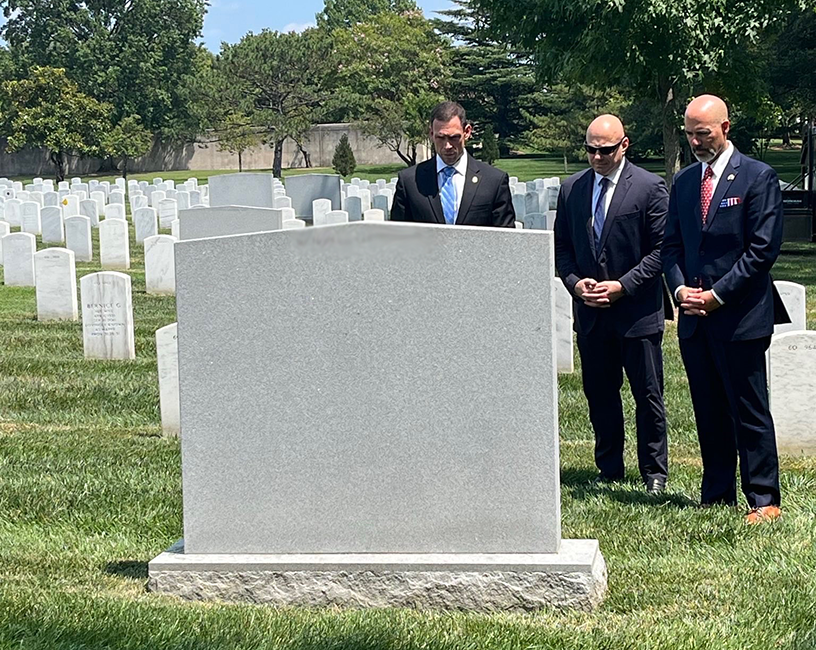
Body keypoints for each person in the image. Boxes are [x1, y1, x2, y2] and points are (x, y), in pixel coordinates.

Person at [662, 94, 788, 523]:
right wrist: (680, 291)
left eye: (704, 132)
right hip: (694, 317)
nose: (697, 141)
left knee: (748, 408)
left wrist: (717, 296)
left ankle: (764, 498)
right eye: (690, 133)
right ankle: (716, 493)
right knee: (708, 409)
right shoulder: (682, 183)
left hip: (740, 316)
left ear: (725, 128)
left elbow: (761, 251)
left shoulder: (757, 177)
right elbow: (671, 247)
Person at [554, 115, 671, 493]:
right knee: (600, 394)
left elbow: (661, 251)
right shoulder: (572, 189)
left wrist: (623, 285)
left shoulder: (650, 188)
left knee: (647, 395)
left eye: (605, 150)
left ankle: (654, 471)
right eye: (591, 149)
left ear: (624, 145)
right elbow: (562, 249)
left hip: (636, 312)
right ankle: (609, 467)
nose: (597, 157)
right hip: (591, 314)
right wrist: (575, 284)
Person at [390, 101, 516, 227]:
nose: (447, 146)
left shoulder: (494, 181)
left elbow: (506, 240)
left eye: (454, 138)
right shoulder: (409, 182)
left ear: (467, 132)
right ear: (432, 134)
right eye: (441, 138)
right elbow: (398, 238)